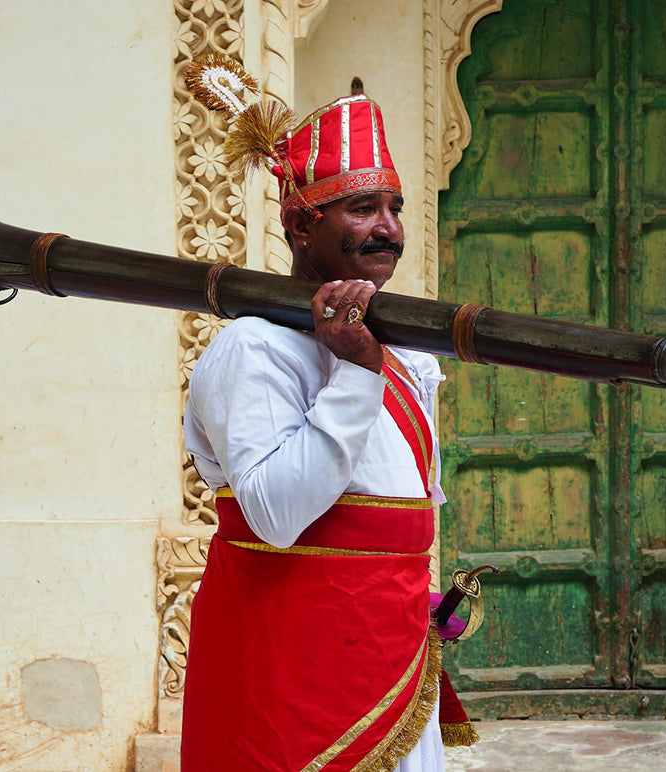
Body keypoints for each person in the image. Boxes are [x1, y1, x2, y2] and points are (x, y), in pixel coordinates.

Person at [181, 71, 476, 771]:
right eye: (363, 208)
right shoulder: (249, 349)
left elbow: (399, 509)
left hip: (387, 648)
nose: (390, 230)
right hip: (291, 671)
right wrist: (351, 374)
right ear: (299, 224)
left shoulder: (394, 347)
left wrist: (414, 595)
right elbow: (277, 514)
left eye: (395, 208)